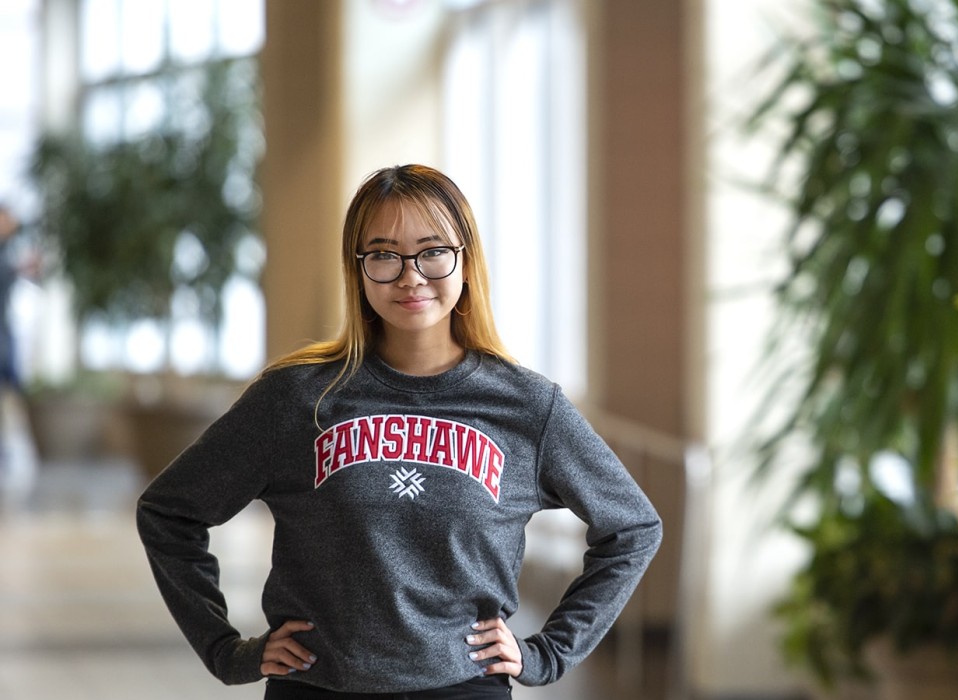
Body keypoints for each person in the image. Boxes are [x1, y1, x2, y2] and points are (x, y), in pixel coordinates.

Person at [136, 164, 662, 699]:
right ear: (358, 270)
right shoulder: (297, 398)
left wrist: (548, 653)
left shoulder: (526, 406)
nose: (410, 275)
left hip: (465, 688)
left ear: (466, 260)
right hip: (318, 688)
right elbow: (169, 512)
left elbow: (633, 528)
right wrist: (225, 650)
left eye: (433, 251)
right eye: (384, 255)